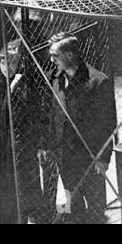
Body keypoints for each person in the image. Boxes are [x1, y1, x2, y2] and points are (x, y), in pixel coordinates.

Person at [40, 32, 116, 224]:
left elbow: (108, 124)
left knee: (96, 207)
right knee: (72, 205)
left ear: (70, 55)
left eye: (55, 56)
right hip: (64, 156)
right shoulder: (54, 79)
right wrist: (47, 145)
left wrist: (103, 158)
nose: (52, 60)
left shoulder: (99, 81)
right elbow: (50, 116)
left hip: (90, 158)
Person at [0, 40, 28, 224]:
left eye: (12, 63)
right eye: (3, 62)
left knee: (13, 180)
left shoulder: (22, 83)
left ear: (18, 64)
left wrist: (13, 86)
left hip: (13, 139)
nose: (6, 67)